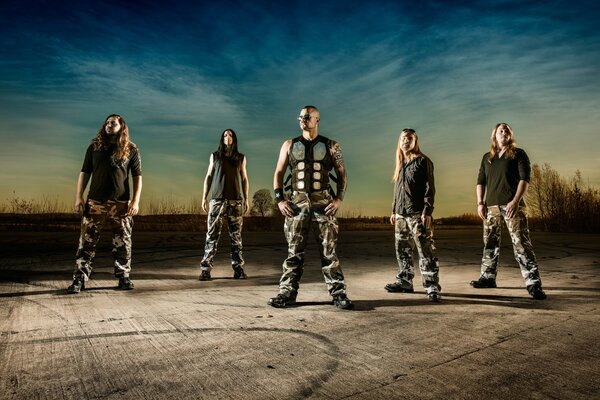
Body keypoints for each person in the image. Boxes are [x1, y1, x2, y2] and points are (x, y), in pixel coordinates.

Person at [268, 105, 353, 310]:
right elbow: (278, 173)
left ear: (317, 120)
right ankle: (286, 292)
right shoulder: (289, 144)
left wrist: (339, 199)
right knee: (293, 252)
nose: (302, 120)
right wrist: (280, 200)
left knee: (329, 252)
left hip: (323, 204)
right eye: (300, 117)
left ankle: (338, 293)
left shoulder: (332, 145)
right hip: (296, 205)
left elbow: (342, 176)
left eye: (307, 117)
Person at [67, 114, 142, 294]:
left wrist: (135, 201)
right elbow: (84, 173)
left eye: (113, 123)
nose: (109, 125)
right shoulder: (94, 147)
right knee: (86, 242)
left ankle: (124, 277)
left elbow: (137, 176)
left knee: (123, 242)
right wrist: (79, 197)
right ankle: (79, 279)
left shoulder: (131, 149)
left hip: (121, 204)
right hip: (95, 203)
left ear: (121, 127)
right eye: (107, 123)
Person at [471, 122, 546, 300]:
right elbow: (480, 181)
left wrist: (515, 201)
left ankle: (533, 283)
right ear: (494, 136)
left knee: (521, 244)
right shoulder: (487, 158)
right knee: (489, 244)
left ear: (510, 135)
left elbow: (524, 179)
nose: (503, 132)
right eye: (500, 130)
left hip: (512, 206)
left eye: (506, 130)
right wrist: (480, 203)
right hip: (491, 208)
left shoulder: (518, 154)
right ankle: (487, 278)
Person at [385, 129, 441, 302]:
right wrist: (394, 210)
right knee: (402, 249)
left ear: (415, 141)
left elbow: (429, 189)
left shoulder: (423, 161)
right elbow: (397, 190)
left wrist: (427, 211)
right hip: (401, 214)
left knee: (425, 250)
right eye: (402, 138)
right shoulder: (401, 164)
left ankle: (432, 287)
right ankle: (405, 282)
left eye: (409, 138)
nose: (405, 141)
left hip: (417, 214)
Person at [199, 129, 249, 281]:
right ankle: (206, 270)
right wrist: (204, 197)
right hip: (217, 200)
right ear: (222, 138)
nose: (228, 137)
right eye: (225, 135)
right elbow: (208, 176)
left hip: (235, 201)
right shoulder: (215, 156)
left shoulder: (240, 157)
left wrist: (246, 198)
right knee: (211, 236)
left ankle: (238, 269)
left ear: (234, 139)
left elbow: (244, 179)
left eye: (231, 135)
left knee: (236, 238)